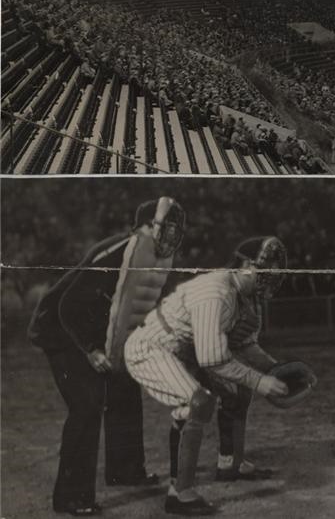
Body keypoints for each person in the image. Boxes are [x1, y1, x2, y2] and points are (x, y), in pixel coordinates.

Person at [28, 197, 185, 516]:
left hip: (95, 325)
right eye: (167, 229)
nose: (172, 237)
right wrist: (91, 349)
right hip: (62, 328)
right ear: (147, 226)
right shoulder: (119, 251)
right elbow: (69, 306)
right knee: (86, 405)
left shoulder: (151, 257)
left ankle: (125, 470)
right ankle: (71, 497)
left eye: (176, 231)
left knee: (125, 388)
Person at [124, 236, 290, 516]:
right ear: (245, 265)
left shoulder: (245, 296)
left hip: (186, 350)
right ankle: (180, 492)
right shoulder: (216, 291)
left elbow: (245, 345)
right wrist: (261, 381)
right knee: (197, 403)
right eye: (264, 269)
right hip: (152, 345)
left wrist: (274, 369)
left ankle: (230, 463)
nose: (269, 277)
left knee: (238, 391)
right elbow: (212, 359)